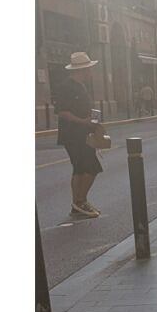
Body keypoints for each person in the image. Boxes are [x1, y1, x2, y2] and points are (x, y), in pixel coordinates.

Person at [54, 51, 103, 218]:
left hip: (83, 133)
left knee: (80, 169)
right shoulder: (65, 87)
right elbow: (62, 112)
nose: (90, 72)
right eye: (88, 69)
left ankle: (77, 205)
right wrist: (83, 121)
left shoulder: (81, 86)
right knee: (92, 167)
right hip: (73, 135)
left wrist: (93, 121)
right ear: (81, 70)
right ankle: (80, 201)